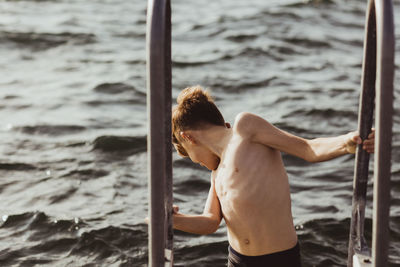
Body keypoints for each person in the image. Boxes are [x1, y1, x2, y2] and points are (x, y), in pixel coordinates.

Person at [170, 85, 375, 267]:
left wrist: (347, 142)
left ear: (187, 137)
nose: (198, 163)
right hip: (237, 260)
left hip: (278, 259)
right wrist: (172, 220)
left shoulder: (245, 128)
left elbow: (307, 148)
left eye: (191, 156)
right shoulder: (216, 173)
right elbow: (210, 221)